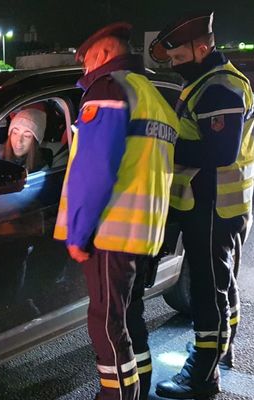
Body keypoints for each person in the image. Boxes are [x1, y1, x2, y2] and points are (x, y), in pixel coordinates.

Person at [53, 22, 179, 400]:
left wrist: (78, 234)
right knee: (127, 318)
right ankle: (137, 390)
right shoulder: (151, 95)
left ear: (105, 54)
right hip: (145, 230)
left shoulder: (107, 89)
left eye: (88, 59)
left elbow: (95, 170)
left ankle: (117, 396)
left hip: (111, 231)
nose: (84, 69)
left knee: (106, 324)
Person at [149, 11, 254, 399]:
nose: (177, 66)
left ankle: (202, 375)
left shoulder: (218, 88)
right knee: (221, 283)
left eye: (179, 59)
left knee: (209, 291)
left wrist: (165, 145)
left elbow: (220, 151)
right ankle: (222, 351)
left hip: (212, 206)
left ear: (203, 46)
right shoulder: (212, 81)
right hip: (221, 204)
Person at [0, 108, 48, 173]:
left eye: (27, 136)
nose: (19, 141)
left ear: (35, 141)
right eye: (15, 133)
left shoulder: (41, 169)